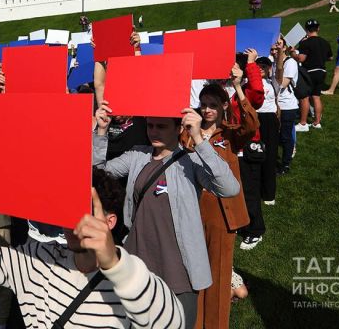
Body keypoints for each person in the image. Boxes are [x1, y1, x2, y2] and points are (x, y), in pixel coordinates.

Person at [0, 171, 185, 328]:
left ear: (110, 221)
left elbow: (172, 323)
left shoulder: (130, 280)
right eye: (67, 209)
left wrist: (115, 265)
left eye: (84, 212)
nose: (72, 222)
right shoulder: (42, 257)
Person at [93, 104, 239, 328]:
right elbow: (97, 175)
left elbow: (229, 188)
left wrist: (199, 139)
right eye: (150, 125)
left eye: (161, 126)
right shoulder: (137, 155)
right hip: (137, 264)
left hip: (179, 268)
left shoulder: (190, 161)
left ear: (178, 127)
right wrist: (101, 132)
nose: (153, 131)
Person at [184, 78, 256, 329]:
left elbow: (252, 125)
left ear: (224, 106)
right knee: (194, 271)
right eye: (203, 104)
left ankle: (215, 324)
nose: (207, 110)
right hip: (192, 210)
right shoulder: (188, 131)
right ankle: (196, 321)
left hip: (222, 213)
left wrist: (238, 87)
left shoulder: (229, 134)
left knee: (219, 272)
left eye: (213, 104)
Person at [293, 19, 332, 131]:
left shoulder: (306, 43)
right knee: (316, 97)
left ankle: (303, 123)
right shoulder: (325, 42)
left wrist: (292, 53)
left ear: (306, 30)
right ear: (318, 28)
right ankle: (317, 123)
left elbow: (301, 58)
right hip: (322, 71)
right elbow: (330, 57)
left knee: (304, 97)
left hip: (309, 72)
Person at [255, 57, 279, 206]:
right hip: (255, 118)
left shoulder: (273, 82)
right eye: (259, 66)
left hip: (269, 119)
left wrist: (280, 55)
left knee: (270, 156)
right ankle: (256, 189)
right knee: (254, 154)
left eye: (264, 66)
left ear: (270, 68)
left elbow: (280, 70)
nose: (261, 68)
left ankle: (269, 194)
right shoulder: (250, 82)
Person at [273, 38, 298, 175]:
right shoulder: (272, 62)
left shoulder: (290, 62)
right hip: (273, 105)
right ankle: (274, 161)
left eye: (279, 44)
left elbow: (282, 84)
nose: (276, 47)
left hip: (287, 105)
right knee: (275, 135)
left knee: (285, 136)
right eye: (274, 45)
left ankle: (285, 164)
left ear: (285, 47)